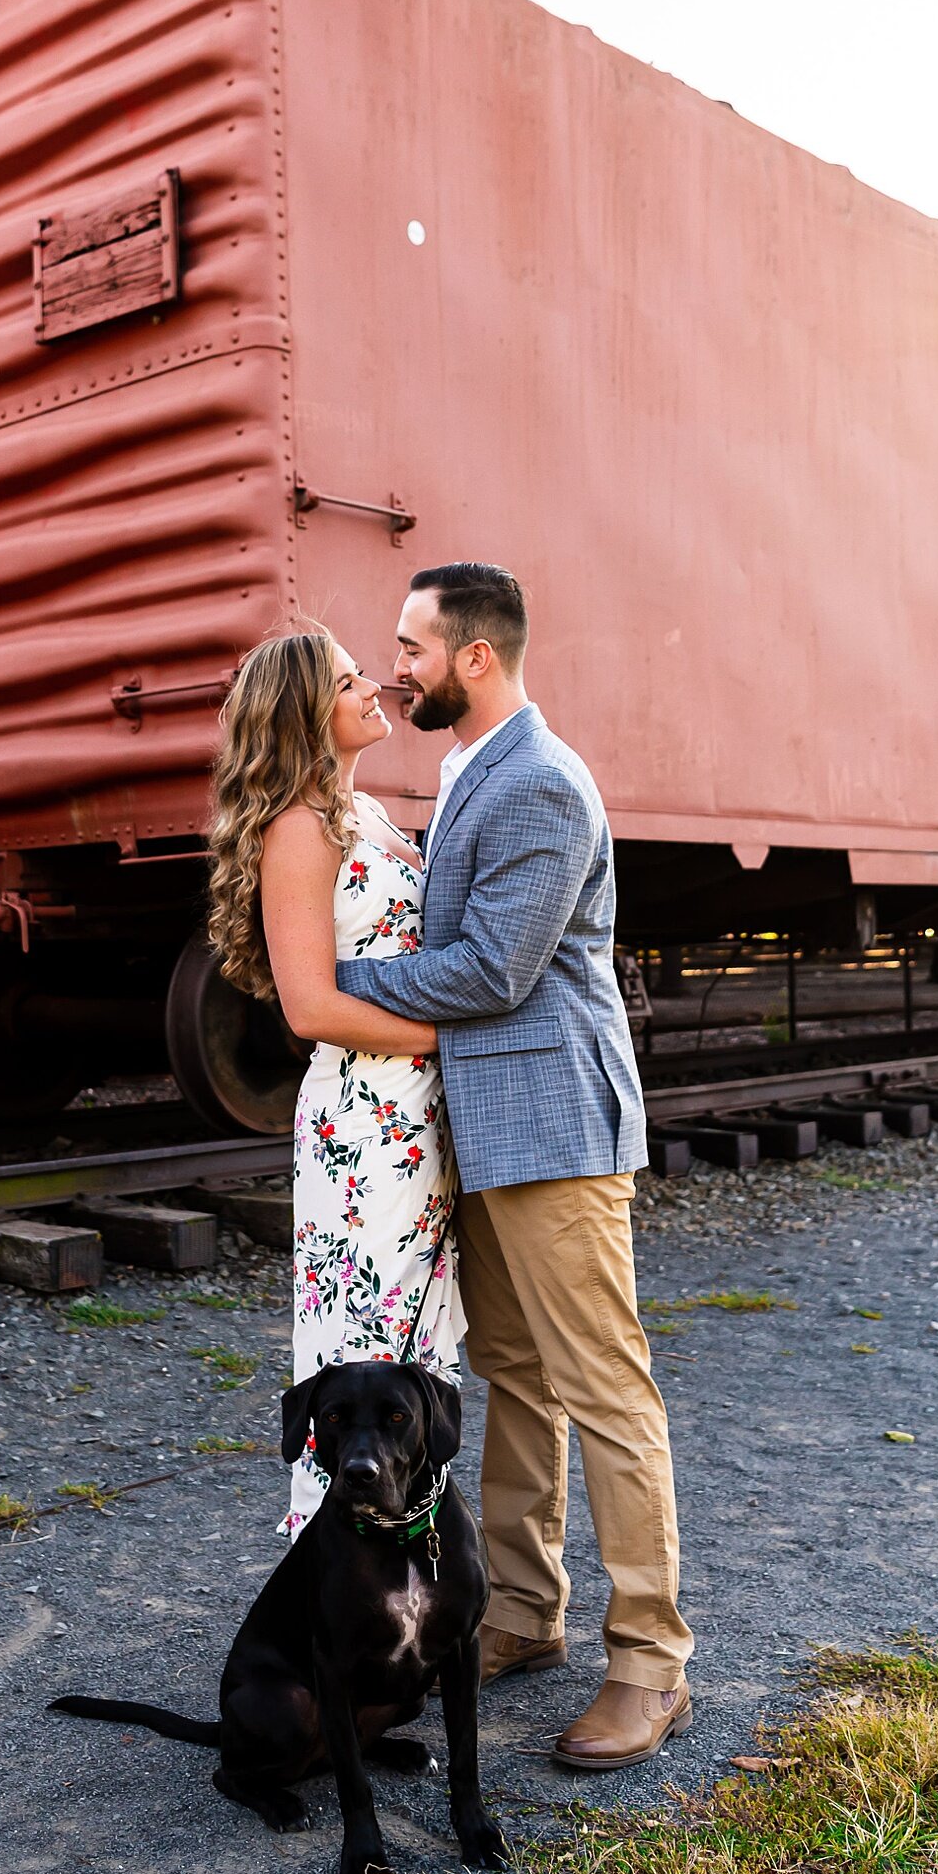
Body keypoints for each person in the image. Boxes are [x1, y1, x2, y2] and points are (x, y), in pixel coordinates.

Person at [333, 562, 694, 1771]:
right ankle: (526, 1617)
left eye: (413, 646)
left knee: (605, 1387)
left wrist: (330, 991)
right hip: (489, 1128)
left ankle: (651, 1665)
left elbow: (493, 970)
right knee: (516, 1374)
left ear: (474, 657)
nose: (399, 664)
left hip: (551, 1125)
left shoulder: (539, 780)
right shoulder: (467, 764)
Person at [206, 629, 465, 1539]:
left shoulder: (372, 816)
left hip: (416, 1118)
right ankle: (346, 1573)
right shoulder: (299, 829)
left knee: (420, 1344)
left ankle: (410, 1574)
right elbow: (310, 1006)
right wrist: (450, 1038)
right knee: (365, 1342)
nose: (374, 687)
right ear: (306, 712)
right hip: (364, 1128)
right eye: (350, 680)